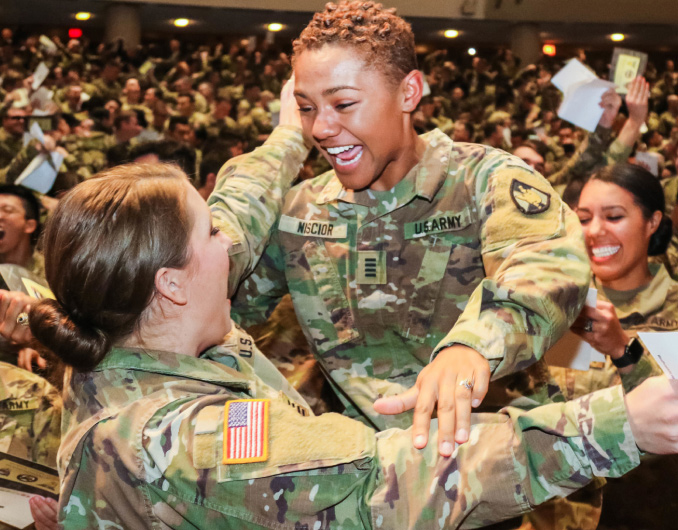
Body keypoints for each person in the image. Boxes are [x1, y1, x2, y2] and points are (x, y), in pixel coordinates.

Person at [25, 138, 678, 530]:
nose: (232, 245)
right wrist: (615, 429)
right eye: (211, 235)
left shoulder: (132, 348)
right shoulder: (179, 441)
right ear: (169, 282)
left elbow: (241, 210)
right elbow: (384, 485)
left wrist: (288, 131)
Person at [231, 1, 589, 458]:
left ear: (409, 92)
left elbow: (546, 266)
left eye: (343, 104)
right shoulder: (302, 212)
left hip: (491, 469)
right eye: (305, 108)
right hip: (367, 485)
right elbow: (213, 295)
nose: (320, 128)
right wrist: (279, 151)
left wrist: (472, 346)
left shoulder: (483, 180)